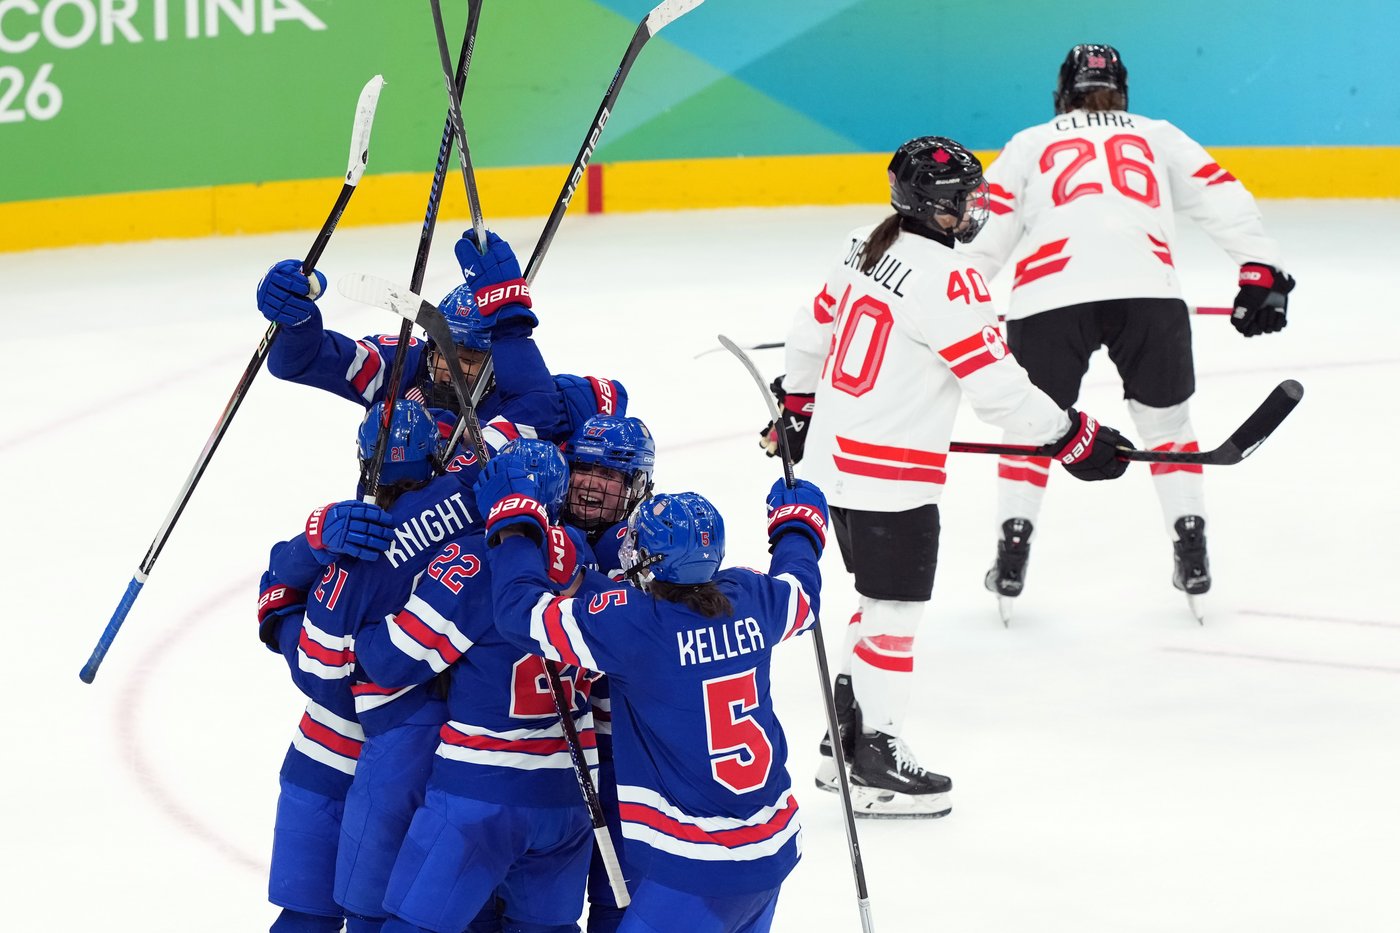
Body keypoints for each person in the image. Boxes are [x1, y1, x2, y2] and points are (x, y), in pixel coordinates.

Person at [762, 135, 1133, 816]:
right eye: (961, 198)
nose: (973, 206)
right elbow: (996, 387)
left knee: (875, 603)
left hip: (827, 469)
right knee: (895, 612)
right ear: (932, 206)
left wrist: (795, 404)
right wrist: (1072, 436)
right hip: (891, 479)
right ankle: (876, 754)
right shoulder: (950, 279)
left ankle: (840, 744)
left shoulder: (862, 243)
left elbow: (810, 332)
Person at [961, 44, 1296, 618]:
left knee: (1034, 428)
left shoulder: (1031, 143)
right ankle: (1190, 542)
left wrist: (952, 299)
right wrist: (1259, 268)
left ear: (1062, 92)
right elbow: (1221, 192)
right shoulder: (1156, 133)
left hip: (1048, 297)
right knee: (1167, 425)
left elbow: (983, 229)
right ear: (1124, 88)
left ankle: (1013, 548)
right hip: (1149, 292)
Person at [481, 469, 829, 933]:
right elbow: (802, 590)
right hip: (770, 851)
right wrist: (797, 526)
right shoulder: (751, 597)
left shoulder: (634, 626)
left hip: (696, 870)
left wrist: (517, 526)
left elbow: (520, 615)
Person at [349, 439, 596, 933]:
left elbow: (392, 662)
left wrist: (365, 617)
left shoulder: (474, 558)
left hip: (480, 794)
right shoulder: (583, 553)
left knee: (409, 925)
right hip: (568, 796)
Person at [298, 398, 473, 931]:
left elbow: (318, 668)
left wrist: (309, 545)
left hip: (380, 746)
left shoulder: (356, 551)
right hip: (466, 751)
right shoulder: (475, 499)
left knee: (362, 914)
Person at [255, 230, 626, 446]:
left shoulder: (534, 394)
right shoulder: (401, 367)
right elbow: (302, 361)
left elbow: (604, 403)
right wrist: (298, 322)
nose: (450, 369)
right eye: (443, 355)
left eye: (468, 359)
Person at [256, 499, 395, 933]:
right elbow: (279, 576)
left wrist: (282, 621)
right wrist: (313, 540)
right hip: (356, 773)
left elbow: (277, 588)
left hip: (352, 771)